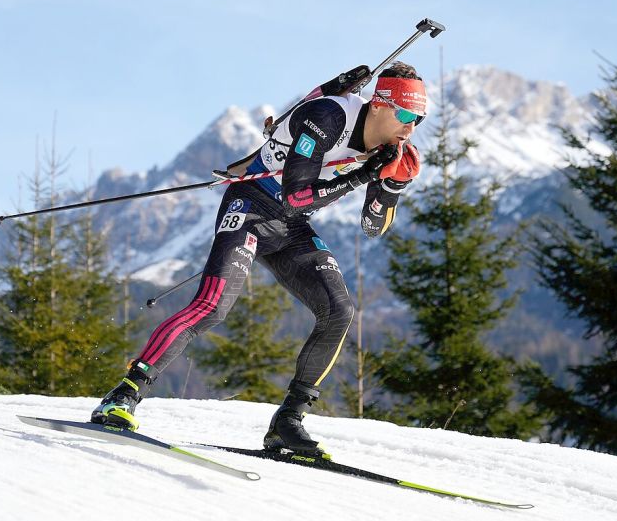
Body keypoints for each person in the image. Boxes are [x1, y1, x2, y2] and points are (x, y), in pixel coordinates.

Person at [90, 61, 426, 455]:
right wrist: (358, 176)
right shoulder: (328, 115)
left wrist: (392, 187)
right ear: (380, 104)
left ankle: (287, 423)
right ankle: (123, 395)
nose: (410, 126)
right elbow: (295, 193)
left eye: (419, 118)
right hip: (251, 208)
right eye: (405, 114)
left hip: (292, 226)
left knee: (339, 311)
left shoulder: (396, 150)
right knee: (212, 307)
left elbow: (372, 227)